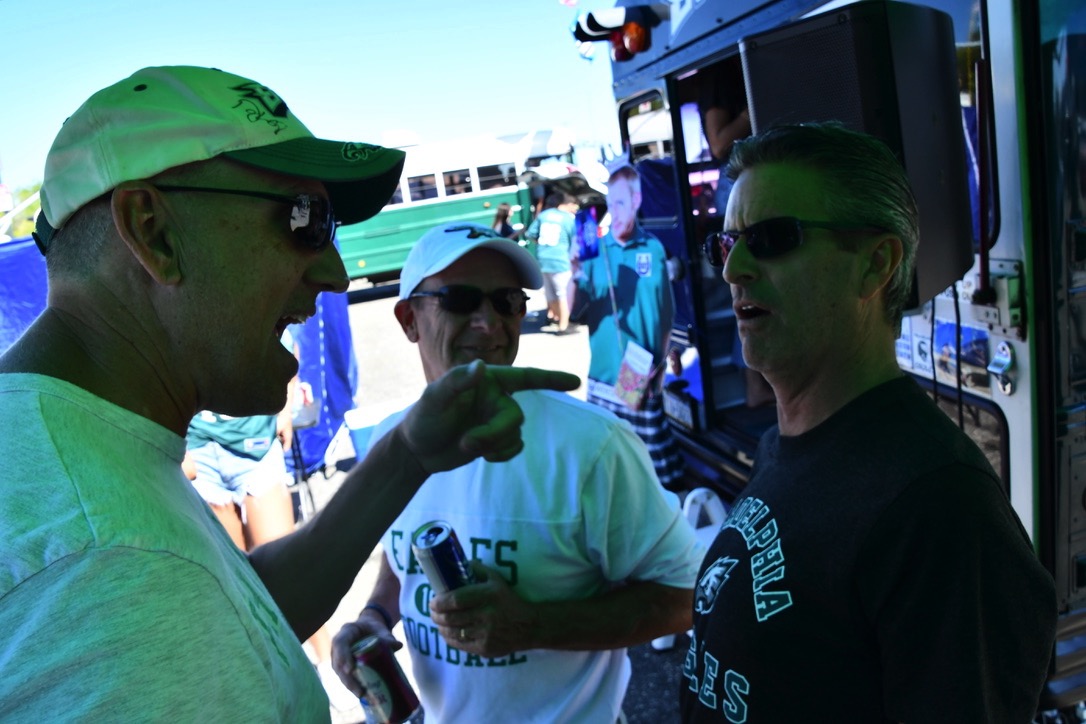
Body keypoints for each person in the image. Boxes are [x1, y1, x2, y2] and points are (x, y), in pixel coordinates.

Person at [0, 65, 578, 720]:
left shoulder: (62, 456)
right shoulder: (105, 561)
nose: (335, 274)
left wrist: (408, 455)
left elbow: (229, 620)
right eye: (304, 220)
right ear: (153, 231)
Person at [681, 122, 1057, 721]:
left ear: (875, 264)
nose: (733, 270)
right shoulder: (785, 444)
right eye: (725, 245)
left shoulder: (941, 510)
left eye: (772, 238)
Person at [330, 222, 703, 723]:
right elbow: (405, 558)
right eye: (460, 300)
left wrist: (533, 625)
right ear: (408, 319)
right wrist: (375, 617)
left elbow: (686, 596)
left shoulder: (592, 446)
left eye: (507, 301)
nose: (489, 322)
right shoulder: (392, 443)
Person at [573, 161, 685, 489]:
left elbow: (665, 312)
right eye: (610, 204)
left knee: (656, 472)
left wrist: (665, 360)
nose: (615, 212)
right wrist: (575, 270)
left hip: (639, 370)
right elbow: (574, 311)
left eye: (621, 203)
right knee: (612, 467)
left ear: (636, 201)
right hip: (604, 375)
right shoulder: (595, 253)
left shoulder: (653, 248)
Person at [525, 190, 580, 334]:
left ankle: (558, 319)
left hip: (543, 259)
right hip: (560, 260)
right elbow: (575, 240)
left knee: (551, 295)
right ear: (565, 204)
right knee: (563, 294)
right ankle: (563, 326)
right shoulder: (567, 218)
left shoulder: (543, 215)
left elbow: (531, 234)